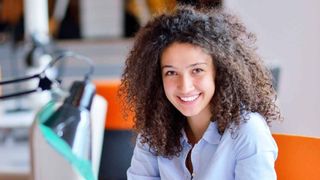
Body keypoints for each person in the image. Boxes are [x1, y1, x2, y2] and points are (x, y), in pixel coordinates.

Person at [119, 5, 281, 180]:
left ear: (219, 71)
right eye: (171, 72)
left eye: (197, 70)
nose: (185, 86)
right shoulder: (154, 132)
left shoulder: (247, 131)